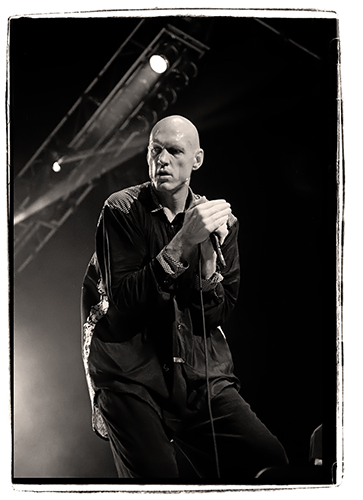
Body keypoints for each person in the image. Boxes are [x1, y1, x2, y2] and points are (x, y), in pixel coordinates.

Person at [81, 115, 288, 480]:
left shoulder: (222, 224)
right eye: (154, 150)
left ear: (197, 159)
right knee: (159, 481)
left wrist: (208, 260)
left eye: (174, 151)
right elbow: (125, 307)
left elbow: (215, 316)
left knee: (268, 460)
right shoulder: (121, 210)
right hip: (131, 375)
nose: (162, 159)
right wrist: (183, 242)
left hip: (197, 376)